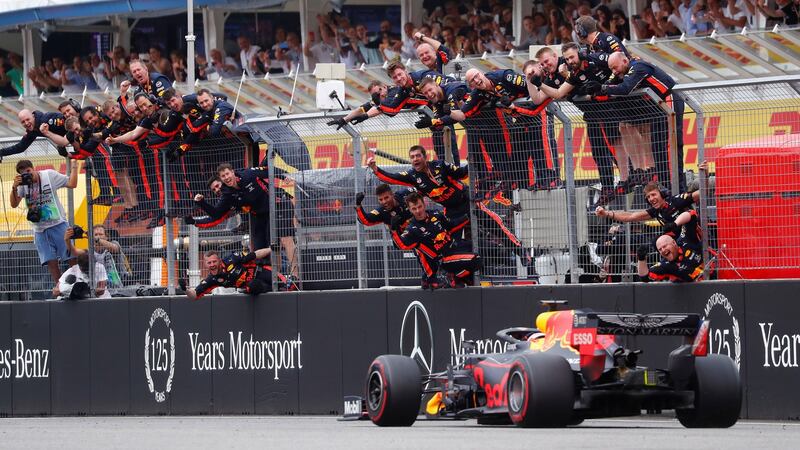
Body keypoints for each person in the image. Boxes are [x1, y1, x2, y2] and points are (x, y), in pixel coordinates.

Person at [589, 51, 685, 191]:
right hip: (659, 107)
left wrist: (602, 88)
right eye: (611, 69)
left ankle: (677, 189)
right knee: (658, 148)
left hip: (670, 100)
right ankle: (667, 187)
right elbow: (612, 83)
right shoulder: (624, 69)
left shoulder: (638, 66)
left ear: (625, 62)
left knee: (671, 145)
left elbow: (625, 88)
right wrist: (598, 88)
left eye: (615, 68)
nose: (614, 72)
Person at [10, 159, 80, 289]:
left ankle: (78, 283)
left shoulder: (49, 175)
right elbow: (14, 204)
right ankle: (59, 287)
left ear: (33, 168)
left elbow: (72, 183)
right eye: (23, 173)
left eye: (28, 171)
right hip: (39, 229)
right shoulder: (22, 185)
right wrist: (14, 187)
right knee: (50, 261)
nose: (27, 175)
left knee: (70, 256)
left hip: (58, 223)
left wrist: (75, 167)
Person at [396, 192, 479, 288]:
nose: (418, 211)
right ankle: (444, 276)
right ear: (410, 210)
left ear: (424, 204)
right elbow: (400, 245)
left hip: (452, 250)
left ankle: (455, 277)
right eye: (414, 209)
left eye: (420, 207)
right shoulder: (411, 229)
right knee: (476, 260)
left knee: (477, 250)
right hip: (441, 260)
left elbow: (451, 226)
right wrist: (394, 231)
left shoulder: (436, 214)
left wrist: (469, 217)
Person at [187, 248, 287, 300]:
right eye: (209, 263)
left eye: (214, 262)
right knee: (252, 286)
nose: (212, 265)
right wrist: (185, 289)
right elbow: (194, 295)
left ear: (219, 260)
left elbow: (255, 254)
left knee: (288, 285)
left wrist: (271, 249)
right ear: (205, 265)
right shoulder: (211, 280)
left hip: (262, 272)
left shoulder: (232, 259)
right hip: (255, 287)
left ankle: (286, 284)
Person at [65, 224, 128, 293]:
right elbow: (74, 252)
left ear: (106, 237)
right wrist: (67, 240)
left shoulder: (114, 244)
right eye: (96, 234)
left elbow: (114, 248)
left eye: (101, 234)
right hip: (100, 286)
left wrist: (95, 238)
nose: (98, 236)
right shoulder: (90, 251)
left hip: (119, 284)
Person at [355, 184, 414, 248]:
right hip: (403, 241)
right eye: (380, 199)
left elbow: (420, 189)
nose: (384, 202)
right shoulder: (381, 212)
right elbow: (365, 220)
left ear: (392, 194)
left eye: (386, 198)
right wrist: (358, 204)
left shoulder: (403, 195)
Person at [0, 109, 67, 158]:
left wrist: (65, 142)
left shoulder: (47, 119)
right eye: (23, 122)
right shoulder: (32, 131)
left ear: (33, 116)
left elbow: (68, 122)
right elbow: (20, 147)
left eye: (28, 119)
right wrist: (1, 152)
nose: (26, 123)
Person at [637, 233, 702, 282]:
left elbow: (692, 215)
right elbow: (645, 278)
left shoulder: (686, 241)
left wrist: (675, 223)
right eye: (660, 249)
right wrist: (641, 259)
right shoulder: (665, 265)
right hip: (696, 290)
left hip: (711, 275)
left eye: (664, 246)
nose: (663, 250)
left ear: (674, 242)